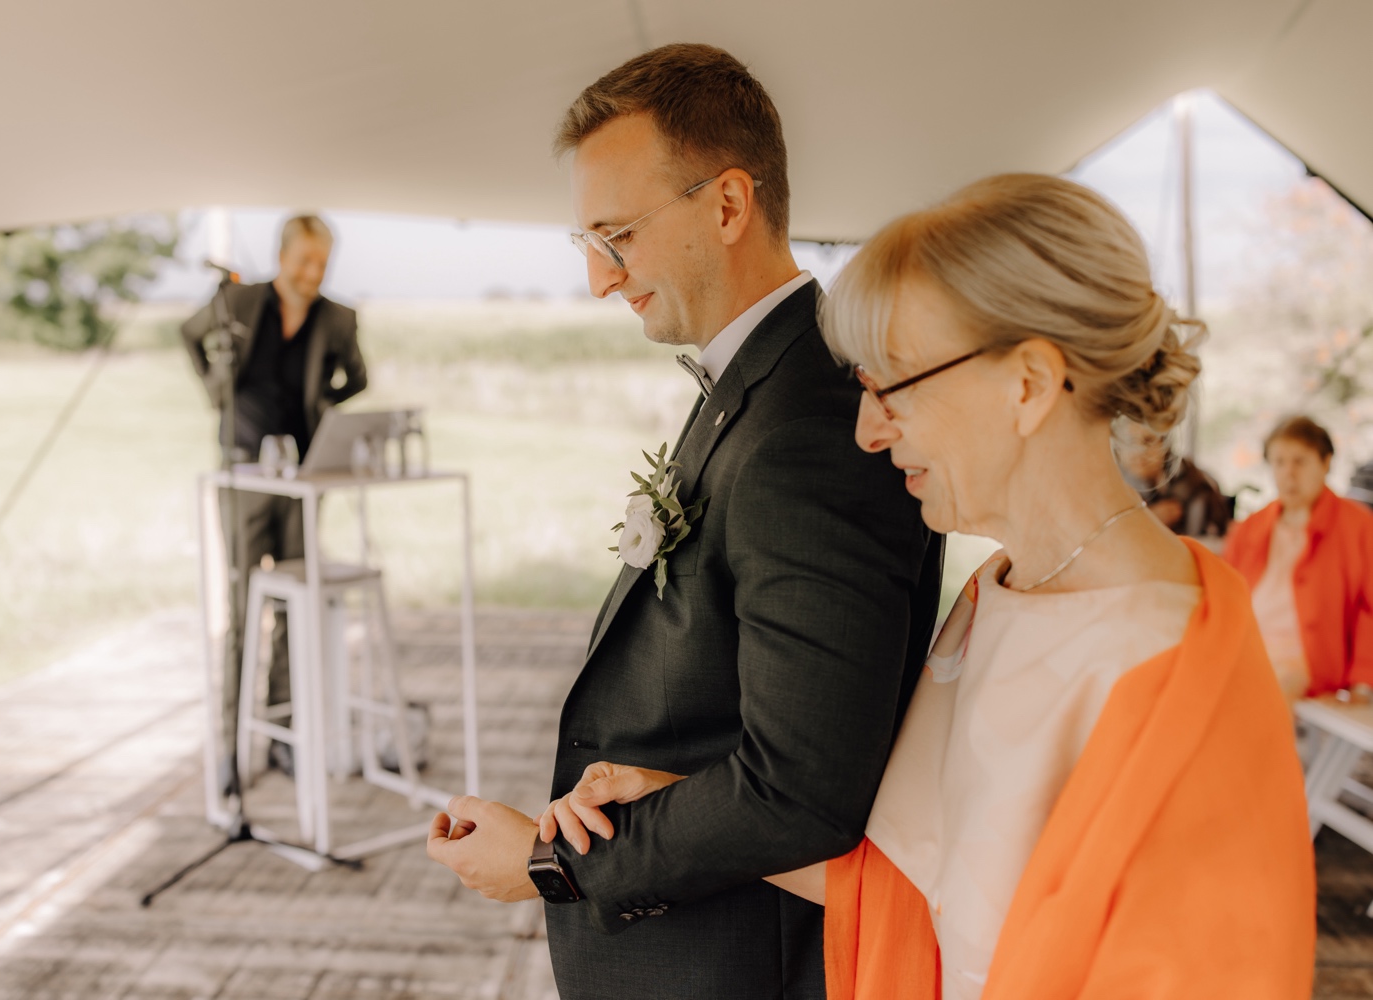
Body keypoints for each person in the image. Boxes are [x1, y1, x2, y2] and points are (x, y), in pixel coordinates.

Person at [545, 174, 1316, 998]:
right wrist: (669, 802)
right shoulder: (1001, 589)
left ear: (1026, 384)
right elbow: (925, 894)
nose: (868, 433)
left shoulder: (1173, 663)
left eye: (891, 386)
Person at [425, 43, 944, 999]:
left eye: (615, 234)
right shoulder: (763, 380)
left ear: (729, 204)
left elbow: (802, 788)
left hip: (742, 964)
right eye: (586, 242)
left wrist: (553, 861)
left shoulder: (812, 424)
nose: (599, 278)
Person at [181, 214, 368, 783]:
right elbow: (188, 335)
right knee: (242, 608)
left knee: (293, 604)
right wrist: (216, 391)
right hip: (242, 473)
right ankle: (232, 747)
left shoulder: (338, 318)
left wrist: (322, 408)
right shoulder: (238, 301)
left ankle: (283, 734)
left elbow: (357, 379)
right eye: (305, 260)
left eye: (322, 262)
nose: (314, 273)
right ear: (282, 256)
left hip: (302, 478)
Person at [1224, 415, 1373, 703]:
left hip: (1306, 661)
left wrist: (1364, 680)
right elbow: (1225, 597)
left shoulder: (1359, 527)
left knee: (1257, 696)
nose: (1288, 473)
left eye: (1299, 461)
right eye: (1279, 462)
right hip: (1247, 648)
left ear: (1325, 463)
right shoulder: (1250, 527)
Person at [1115, 420, 1232, 539]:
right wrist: (1150, 519)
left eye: (1148, 441)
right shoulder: (1115, 483)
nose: (1138, 451)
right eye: (1130, 442)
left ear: (1164, 445)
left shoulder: (1193, 484)